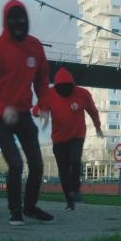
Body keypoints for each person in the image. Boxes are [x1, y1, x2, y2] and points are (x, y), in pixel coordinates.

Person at [0, 0, 53, 226]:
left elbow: (41, 80)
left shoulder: (35, 47)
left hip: (22, 113)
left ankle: (29, 207)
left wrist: (44, 105)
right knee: (16, 164)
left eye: (23, 22)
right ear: (6, 24)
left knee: (37, 165)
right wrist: (1, 108)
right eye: (14, 23)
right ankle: (15, 210)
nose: (19, 27)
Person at [32, 67, 103, 211]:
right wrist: (41, 112)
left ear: (72, 86)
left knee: (75, 160)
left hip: (77, 135)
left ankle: (76, 189)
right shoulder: (49, 94)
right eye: (61, 88)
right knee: (63, 170)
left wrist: (97, 127)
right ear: (56, 87)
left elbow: (93, 111)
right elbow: (35, 110)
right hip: (58, 139)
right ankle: (69, 201)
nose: (64, 91)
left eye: (67, 88)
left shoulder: (82, 94)